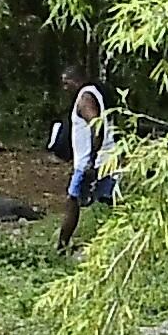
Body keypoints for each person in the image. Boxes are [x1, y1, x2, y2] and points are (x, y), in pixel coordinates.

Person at [52, 81, 115, 258]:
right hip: (107, 158)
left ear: (74, 81)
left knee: (72, 201)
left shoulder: (84, 98)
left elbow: (97, 125)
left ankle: (62, 247)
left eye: (66, 82)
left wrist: (91, 161)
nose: (64, 87)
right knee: (110, 200)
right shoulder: (97, 94)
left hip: (90, 162)